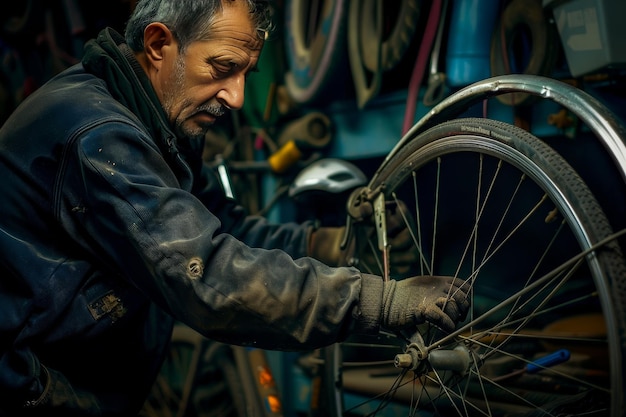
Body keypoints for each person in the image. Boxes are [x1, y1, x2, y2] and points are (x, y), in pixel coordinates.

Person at [0, 0, 470, 415]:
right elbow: (208, 276)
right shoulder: (98, 135)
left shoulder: (154, 118)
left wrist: (325, 243)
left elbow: (218, 227)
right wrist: (379, 301)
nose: (237, 96)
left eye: (246, 73)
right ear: (160, 43)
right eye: (222, 67)